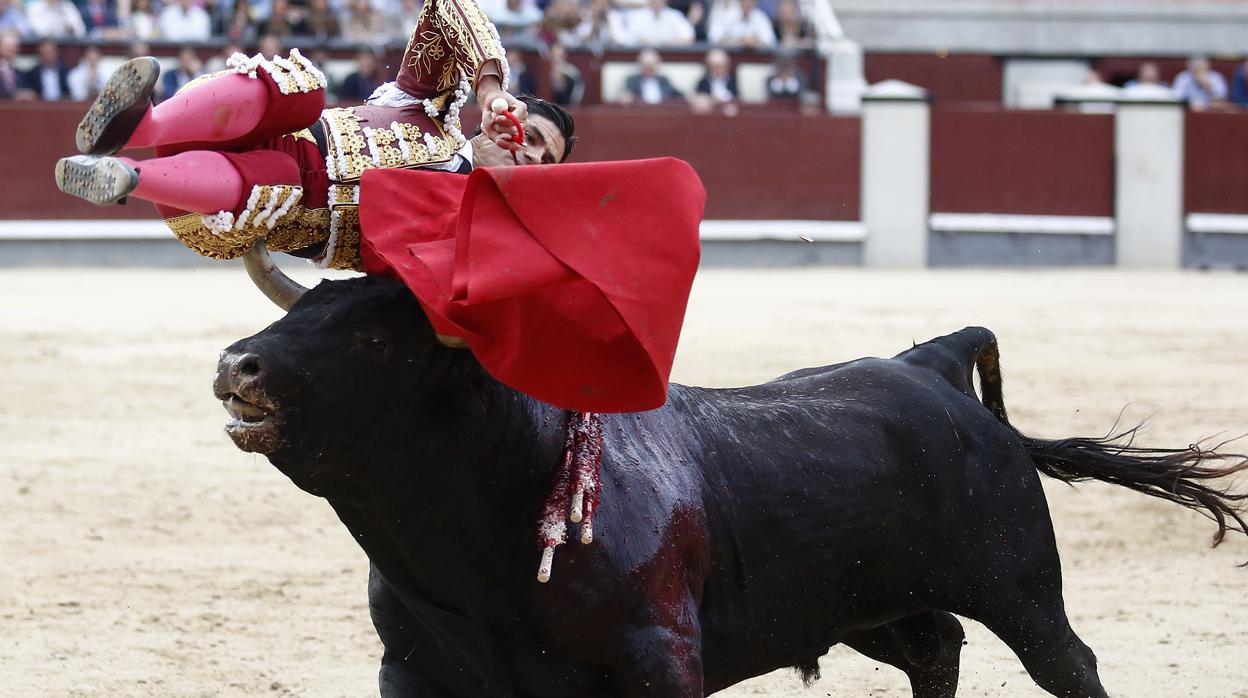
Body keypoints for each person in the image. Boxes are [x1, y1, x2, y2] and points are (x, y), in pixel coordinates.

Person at [56, 0, 564, 272]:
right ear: (511, 118)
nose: (535, 158)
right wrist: (490, 87)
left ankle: (127, 174)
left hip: (219, 208)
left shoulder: (473, 233)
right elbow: (446, 8)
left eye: (548, 165)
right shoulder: (427, 109)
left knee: (289, 178)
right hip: (223, 124)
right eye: (537, 138)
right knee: (305, 90)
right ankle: (143, 126)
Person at [613, 0, 694, 47]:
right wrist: (640, 40)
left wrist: (667, 42)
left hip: (668, 58)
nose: (657, 2)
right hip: (641, 56)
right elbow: (626, 39)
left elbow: (688, 38)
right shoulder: (638, 16)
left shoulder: (674, 16)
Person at [707, 0, 773, 48]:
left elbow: (770, 42)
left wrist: (755, 42)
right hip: (727, 56)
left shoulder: (761, 17)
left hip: (756, 59)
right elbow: (714, 38)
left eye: (752, 1)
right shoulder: (725, 15)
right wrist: (740, 41)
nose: (748, 2)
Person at [691, 47, 735, 114]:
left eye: (720, 66)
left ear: (726, 66)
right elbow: (697, 99)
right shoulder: (702, 83)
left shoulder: (733, 82)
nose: (717, 70)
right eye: (713, 66)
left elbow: (737, 99)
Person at [547, 41, 583, 106]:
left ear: (565, 56)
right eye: (554, 56)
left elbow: (575, 97)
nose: (556, 59)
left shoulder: (572, 73)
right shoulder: (543, 71)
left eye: (560, 56)